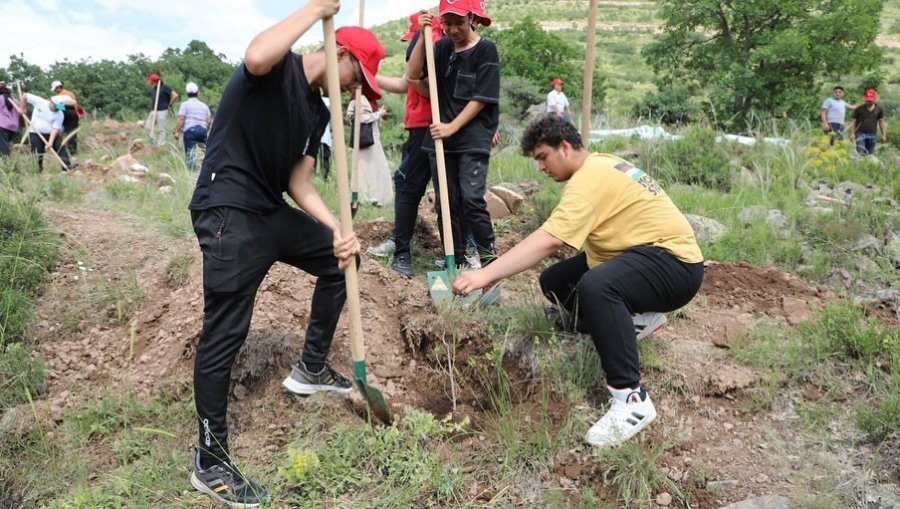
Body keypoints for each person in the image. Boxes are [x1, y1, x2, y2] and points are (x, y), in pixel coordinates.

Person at [186, 0, 384, 504]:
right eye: (357, 78)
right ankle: (211, 461)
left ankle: (311, 368)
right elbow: (254, 56)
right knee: (226, 330)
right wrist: (315, 7)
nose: (358, 91)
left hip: (268, 211)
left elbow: (299, 181)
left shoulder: (318, 110)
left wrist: (338, 227)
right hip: (228, 207)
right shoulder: (275, 69)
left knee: (343, 258)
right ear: (340, 53)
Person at [453, 115, 704, 448]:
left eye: (543, 157)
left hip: (675, 266)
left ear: (565, 147)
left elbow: (549, 240)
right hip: (646, 255)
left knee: (597, 286)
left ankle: (631, 400)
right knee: (555, 281)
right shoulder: (602, 164)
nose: (540, 167)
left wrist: (485, 274)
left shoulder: (588, 181)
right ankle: (640, 319)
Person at [406, 0, 500, 270]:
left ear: (471, 18)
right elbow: (413, 76)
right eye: (447, 23)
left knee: (471, 199)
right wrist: (421, 37)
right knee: (446, 203)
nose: (453, 29)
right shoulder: (443, 48)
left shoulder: (486, 50)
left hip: (472, 138)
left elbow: (481, 98)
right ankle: (454, 261)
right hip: (441, 139)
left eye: (458, 22)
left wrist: (452, 126)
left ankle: (489, 262)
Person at [346, 93, 393, 205]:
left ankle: (376, 197)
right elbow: (359, 118)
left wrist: (379, 114)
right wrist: (378, 114)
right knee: (362, 170)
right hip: (364, 140)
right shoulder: (359, 98)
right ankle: (359, 198)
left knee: (376, 168)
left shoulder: (370, 99)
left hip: (373, 139)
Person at [20, 92, 71, 171]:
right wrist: (21, 108)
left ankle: (67, 166)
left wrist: (50, 142)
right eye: (56, 107)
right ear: (51, 102)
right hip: (35, 132)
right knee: (37, 151)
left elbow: (55, 129)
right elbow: (25, 96)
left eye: (59, 108)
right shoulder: (40, 102)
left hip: (50, 133)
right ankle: (37, 170)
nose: (57, 109)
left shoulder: (60, 114)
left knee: (60, 146)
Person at [173, 82, 212, 171]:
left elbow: (181, 119)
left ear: (186, 93)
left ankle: (192, 172)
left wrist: (177, 132)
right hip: (203, 130)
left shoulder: (185, 104)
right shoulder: (204, 106)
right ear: (198, 93)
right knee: (207, 152)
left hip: (190, 131)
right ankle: (208, 169)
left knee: (191, 154)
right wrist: (207, 129)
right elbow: (209, 120)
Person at [849, 88, 887, 156]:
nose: (869, 102)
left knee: (870, 154)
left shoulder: (879, 109)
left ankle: (867, 165)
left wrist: (883, 135)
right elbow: (853, 122)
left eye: (871, 101)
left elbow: (881, 122)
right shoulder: (859, 109)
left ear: (875, 99)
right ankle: (860, 164)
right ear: (865, 99)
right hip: (860, 133)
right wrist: (852, 134)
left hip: (873, 134)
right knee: (860, 152)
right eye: (867, 100)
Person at [145, 72, 178, 147]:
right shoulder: (155, 89)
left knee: (161, 129)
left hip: (162, 111)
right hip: (154, 111)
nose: (151, 83)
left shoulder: (165, 87)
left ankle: (160, 145)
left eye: (151, 82)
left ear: (154, 81)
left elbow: (175, 95)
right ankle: (153, 143)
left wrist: (170, 104)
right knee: (148, 127)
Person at [50, 80, 81, 155]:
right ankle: (73, 150)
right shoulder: (70, 93)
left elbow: (59, 107)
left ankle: (61, 148)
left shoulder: (59, 96)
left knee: (62, 130)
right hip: (73, 113)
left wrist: (57, 107)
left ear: (58, 88)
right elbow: (75, 104)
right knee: (72, 131)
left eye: (55, 89)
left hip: (65, 112)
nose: (55, 91)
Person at [0, 82, 20, 156]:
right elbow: (23, 110)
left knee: (3, 147)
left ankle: (6, 165)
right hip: (13, 127)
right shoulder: (15, 101)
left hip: (2, 126)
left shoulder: (0, 99)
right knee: (5, 145)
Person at [319, 96, 333, 180]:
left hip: (326, 134)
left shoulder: (330, 103)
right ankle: (323, 175)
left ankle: (325, 175)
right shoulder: (318, 99)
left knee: (325, 155)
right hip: (319, 133)